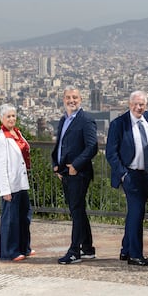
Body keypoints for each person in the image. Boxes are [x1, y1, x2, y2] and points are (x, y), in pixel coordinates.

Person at [106, 90, 148, 266]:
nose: (139, 107)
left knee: (134, 214)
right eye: (135, 104)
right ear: (129, 105)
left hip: (145, 174)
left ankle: (126, 249)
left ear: (146, 105)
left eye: (142, 104)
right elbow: (111, 153)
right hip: (130, 174)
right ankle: (136, 255)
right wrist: (123, 174)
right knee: (137, 214)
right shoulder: (119, 124)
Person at [52, 85, 98, 264]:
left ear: (81, 100)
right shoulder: (65, 119)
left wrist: (76, 166)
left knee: (76, 210)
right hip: (65, 172)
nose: (72, 101)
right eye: (68, 98)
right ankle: (87, 248)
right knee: (77, 210)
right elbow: (61, 144)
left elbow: (92, 146)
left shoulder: (85, 120)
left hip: (78, 173)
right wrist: (56, 165)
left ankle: (74, 251)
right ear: (63, 100)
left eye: (75, 98)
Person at [0, 103, 34, 261]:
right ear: (1, 118)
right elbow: (1, 165)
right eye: (8, 116)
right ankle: (9, 251)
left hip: (21, 181)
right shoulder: (2, 139)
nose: (11, 119)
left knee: (24, 216)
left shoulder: (17, 133)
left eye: (13, 116)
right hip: (11, 184)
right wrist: (5, 190)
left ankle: (24, 247)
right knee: (10, 219)